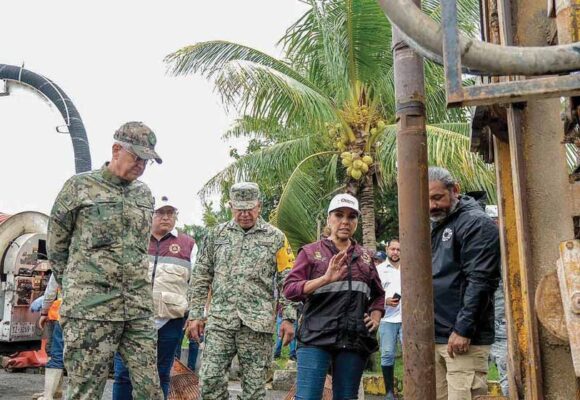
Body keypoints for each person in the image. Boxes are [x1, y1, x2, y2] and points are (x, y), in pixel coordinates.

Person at [47, 121, 164, 400]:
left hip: (136, 309)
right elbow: (56, 246)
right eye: (137, 157)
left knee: (151, 390)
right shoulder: (79, 188)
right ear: (116, 149)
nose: (141, 166)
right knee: (85, 392)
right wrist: (79, 288)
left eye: (147, 161)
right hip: (90, 311)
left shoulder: (144, 194)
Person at [186, 182, 296, 400]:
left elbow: (288, 280)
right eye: (239, 209)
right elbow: (200, 277)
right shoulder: (215, 235)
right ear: (231, 207)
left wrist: (289, 318)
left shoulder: (276, 238)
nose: (245, 214)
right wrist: (196, 314)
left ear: (260, 206)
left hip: (257, 326)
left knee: (254, 391)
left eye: (250, 208)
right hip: (220, 322)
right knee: (210, 383)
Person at [283, 193, 385, 400]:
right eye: (339, 215)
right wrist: (325, 279)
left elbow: (378, 295)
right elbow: (290, 289)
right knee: (307, 397)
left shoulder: (366, 258)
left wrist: (375, 316)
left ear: (357, 221)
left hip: (354, 338)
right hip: (315, 337)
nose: (345, 222)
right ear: (329, 218)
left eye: (351, 217)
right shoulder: (311, 252)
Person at [113, 195, 197, 399]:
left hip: (171, 319)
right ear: (150, 214)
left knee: (162, 373)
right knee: (124, 373)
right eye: (160, 212)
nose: (166, 217)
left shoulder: (188, 244)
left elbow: (197, 283)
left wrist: (195, 314)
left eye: (170, 213)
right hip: (132, 318)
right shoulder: (132, 240)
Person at [428, 166, 500, 400]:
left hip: (462, 337)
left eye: (437, 197)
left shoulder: (475, 223)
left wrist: (463, 329)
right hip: (436, 335)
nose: (431, 205)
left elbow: (481, 281)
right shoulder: (437, 224)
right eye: (426, 199)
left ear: (455, 190)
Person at [485, 205, 509, 397]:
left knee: (509, 378)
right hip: (478, 325)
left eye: (495, 221)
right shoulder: (479, 250)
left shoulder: (509, 251)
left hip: (503, 324)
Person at [376, 238, 402, 400]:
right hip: (387, 318)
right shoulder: (379, 269)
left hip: (408, 318)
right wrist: (384, 301)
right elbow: (373, 293)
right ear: (387, 250)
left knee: (412, 353)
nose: (395, 252)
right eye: (393, 249)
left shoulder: (409, 267)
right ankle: (389, 392)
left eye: (398, 249)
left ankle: (412, 387)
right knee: (387, 354)